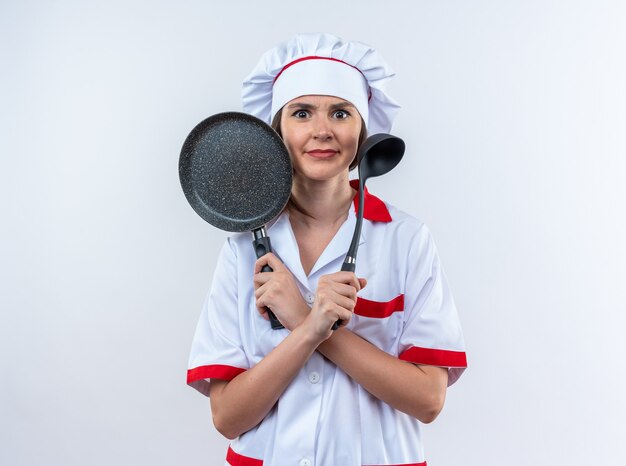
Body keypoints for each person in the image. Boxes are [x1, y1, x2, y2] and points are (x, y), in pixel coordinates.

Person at [187, 33, 467, 466]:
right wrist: (312, 327)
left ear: (363, 130)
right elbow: (228, 417)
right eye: (302, 113)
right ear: (276, 132)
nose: (322, 131)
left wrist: (303, 319)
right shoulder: (242, 248)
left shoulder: (406, 239)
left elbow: (428, 400)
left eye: (341, 112)